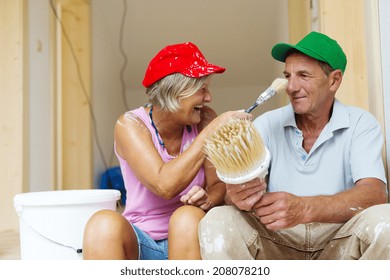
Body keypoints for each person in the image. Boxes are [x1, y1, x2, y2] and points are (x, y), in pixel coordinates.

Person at [198, 31, 390, 259]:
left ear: (334, 80)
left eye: (303, 75)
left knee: (385, 221)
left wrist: (305, 208)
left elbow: (375, 195)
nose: (291, 86)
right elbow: (236, 197)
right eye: (288, 76)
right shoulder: (267, 123)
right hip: (277, 240)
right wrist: (237, 196)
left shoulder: (360, 123)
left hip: (340, 239)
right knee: (218, 220)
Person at [82, 42, 249, 260]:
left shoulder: (204, 119)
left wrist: (208, 198)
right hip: (141, 241)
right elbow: (164, 185)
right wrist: (210, 133)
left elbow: (218, 184)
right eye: (202, 89)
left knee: (186, 218)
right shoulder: (131, 125)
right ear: (175, 92)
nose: (208, 98)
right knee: (101, 225)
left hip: (190, 238)